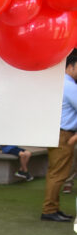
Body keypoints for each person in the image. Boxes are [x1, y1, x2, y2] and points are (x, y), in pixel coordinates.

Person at [41, 48, 77, 222]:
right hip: (64, 135)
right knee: (58, 174)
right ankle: (49, 210)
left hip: (59, 132)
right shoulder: (69, 85)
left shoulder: (61, 82)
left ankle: (52, 208)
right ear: (71, 66)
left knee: (55, 172)